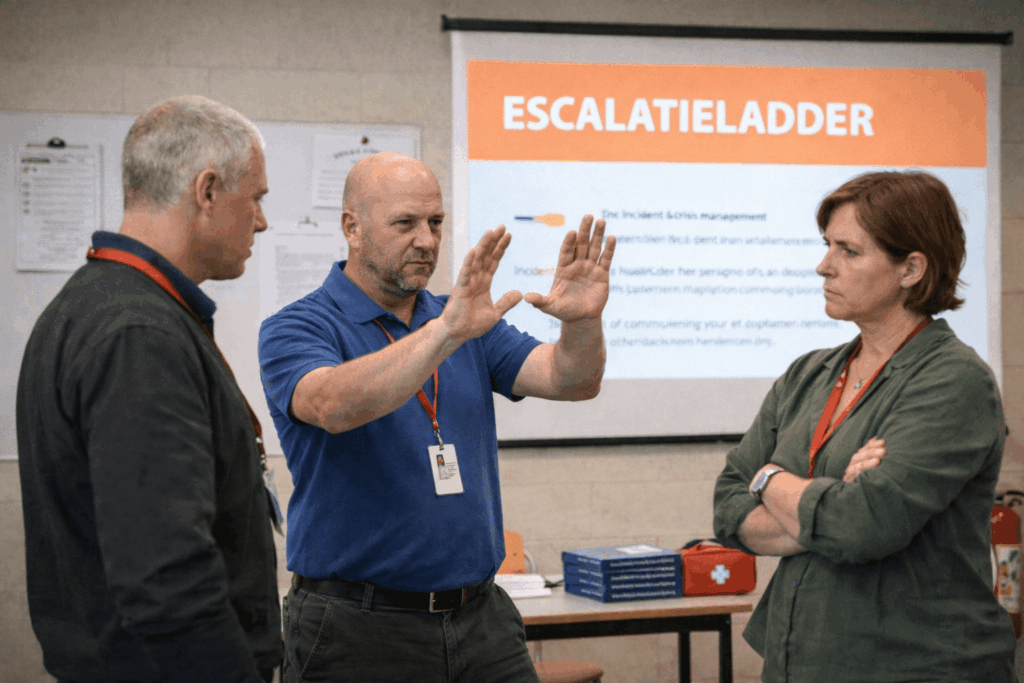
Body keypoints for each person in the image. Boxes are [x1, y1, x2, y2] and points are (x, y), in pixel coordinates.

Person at [258, 151, 614, 682]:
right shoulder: (299, 327)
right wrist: (446, 331)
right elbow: (332, 405)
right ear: (352, 228)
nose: (426, 240)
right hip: (358, 627)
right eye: (405, 223)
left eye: (435, 222)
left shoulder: (465, 320)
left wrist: (583, 323)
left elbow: (572, 380)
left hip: (481, 622)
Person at [16, 96, 282, 683]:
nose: (261, 221)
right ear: (207, 190)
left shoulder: (100, 306)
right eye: (256, 198)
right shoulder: (139, 335)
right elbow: (166, 577)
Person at [713, 170, 1015, 682]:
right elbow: (727, 507)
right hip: (799, 661)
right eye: (827, 246)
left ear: (911, 268)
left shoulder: (954, 380)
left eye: (849, 251)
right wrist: (829, 500)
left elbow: (862, 529)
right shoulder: (809, 373)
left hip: (917, 665)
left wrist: (768, 480)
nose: (824, 267)